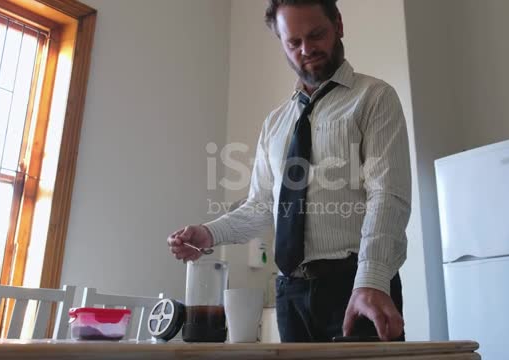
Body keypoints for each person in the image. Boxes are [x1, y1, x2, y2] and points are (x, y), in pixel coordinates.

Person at [167, 0, 411, 343]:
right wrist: (209, 233)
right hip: (289, 294)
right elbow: (263, 205)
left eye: (316, 35)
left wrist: (371, 280)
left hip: (356, 287)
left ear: (338, 25)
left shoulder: (374, 98)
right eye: (293, 42)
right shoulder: (275, 123)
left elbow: (388, 195)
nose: (306, 49)